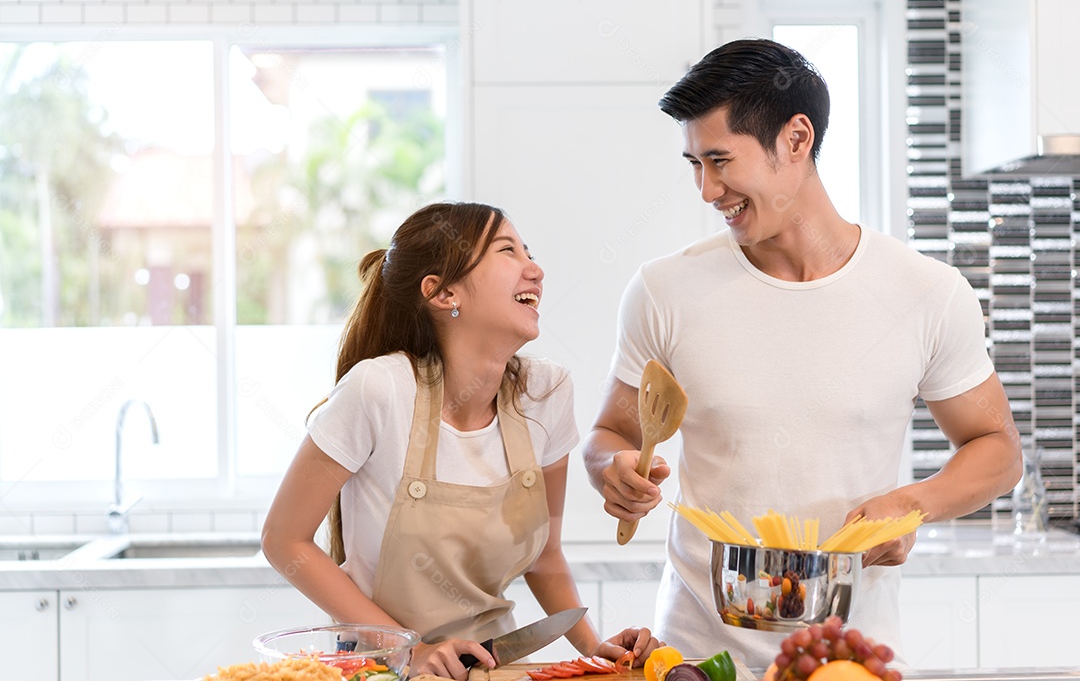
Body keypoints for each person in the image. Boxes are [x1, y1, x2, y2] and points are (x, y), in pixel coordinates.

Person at [582, 39, 1022, 666]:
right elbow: (609, 433)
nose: (706, 190)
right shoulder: (664, 290)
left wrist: (912, 504)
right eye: (693, 165)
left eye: (719, 160)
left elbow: (999, 452)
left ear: (795, 138)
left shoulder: (925, 291)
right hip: (696, 662)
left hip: (848, 661)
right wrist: (612, 469)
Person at [263, 201, 662, 680]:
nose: (535, 269)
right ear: (443, 292)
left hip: (496, 666)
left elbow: (544, 556)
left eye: (528, 252)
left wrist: (594, 648)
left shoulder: (545, 393)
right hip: (382, 666)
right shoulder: (379, 390)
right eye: (507, 251)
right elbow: (283, 541)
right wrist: (410, 651)